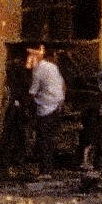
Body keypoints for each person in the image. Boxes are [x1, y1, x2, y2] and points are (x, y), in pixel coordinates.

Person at [20, 43, 68, 173]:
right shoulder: (53, 67)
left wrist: (23, 103)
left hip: (47, 108)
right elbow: (63, 85)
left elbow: (33, 91)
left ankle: (46, 170)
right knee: (49, 140)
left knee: (44, 140)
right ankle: (48, 168)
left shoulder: (39, 69)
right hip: (56, 106)